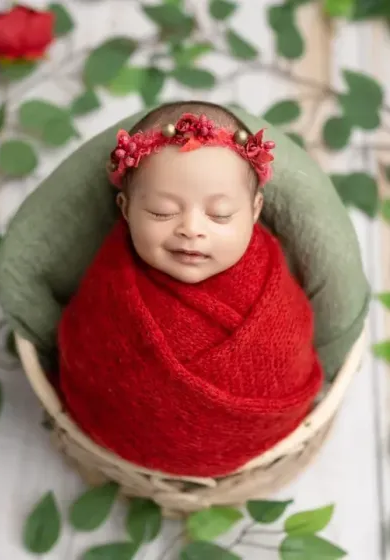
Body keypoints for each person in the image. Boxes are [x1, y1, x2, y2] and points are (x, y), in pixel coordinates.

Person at [57, 101, 324, 477]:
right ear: (125, 208)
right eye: (162, 212)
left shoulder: (271, 275)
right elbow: (84, 350)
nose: (191, 229)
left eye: (220, 215)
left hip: (256, 444)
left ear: (255, 210)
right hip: (124, 443)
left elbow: (293, 344)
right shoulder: (111, 277)